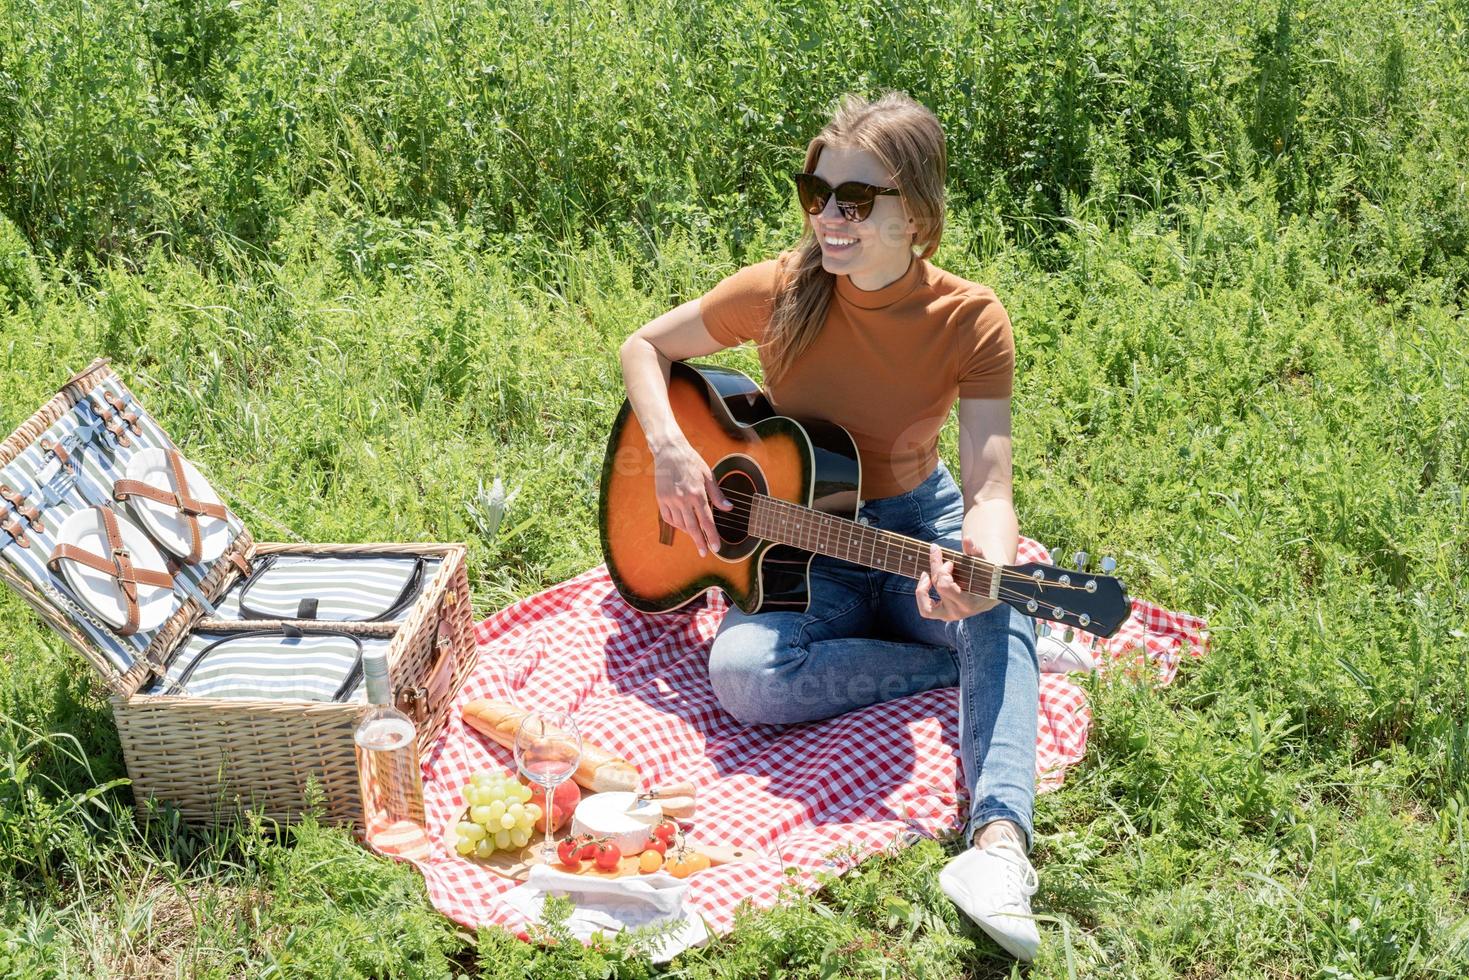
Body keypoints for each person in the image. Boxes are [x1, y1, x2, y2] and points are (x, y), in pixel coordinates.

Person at [617, 91, 1042, 961]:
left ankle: (997, 845)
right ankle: (944, 663)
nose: (828, 218)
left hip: (914, 525)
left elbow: (989, 491)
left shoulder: (969, 318)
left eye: (855, 200)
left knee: (1002, 597)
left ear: (917, 216)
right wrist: (667, 447)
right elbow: (644, 347)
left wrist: (979, 566)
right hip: (795, 541)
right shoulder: (779, 289)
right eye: (817, 194)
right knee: (743, 676)